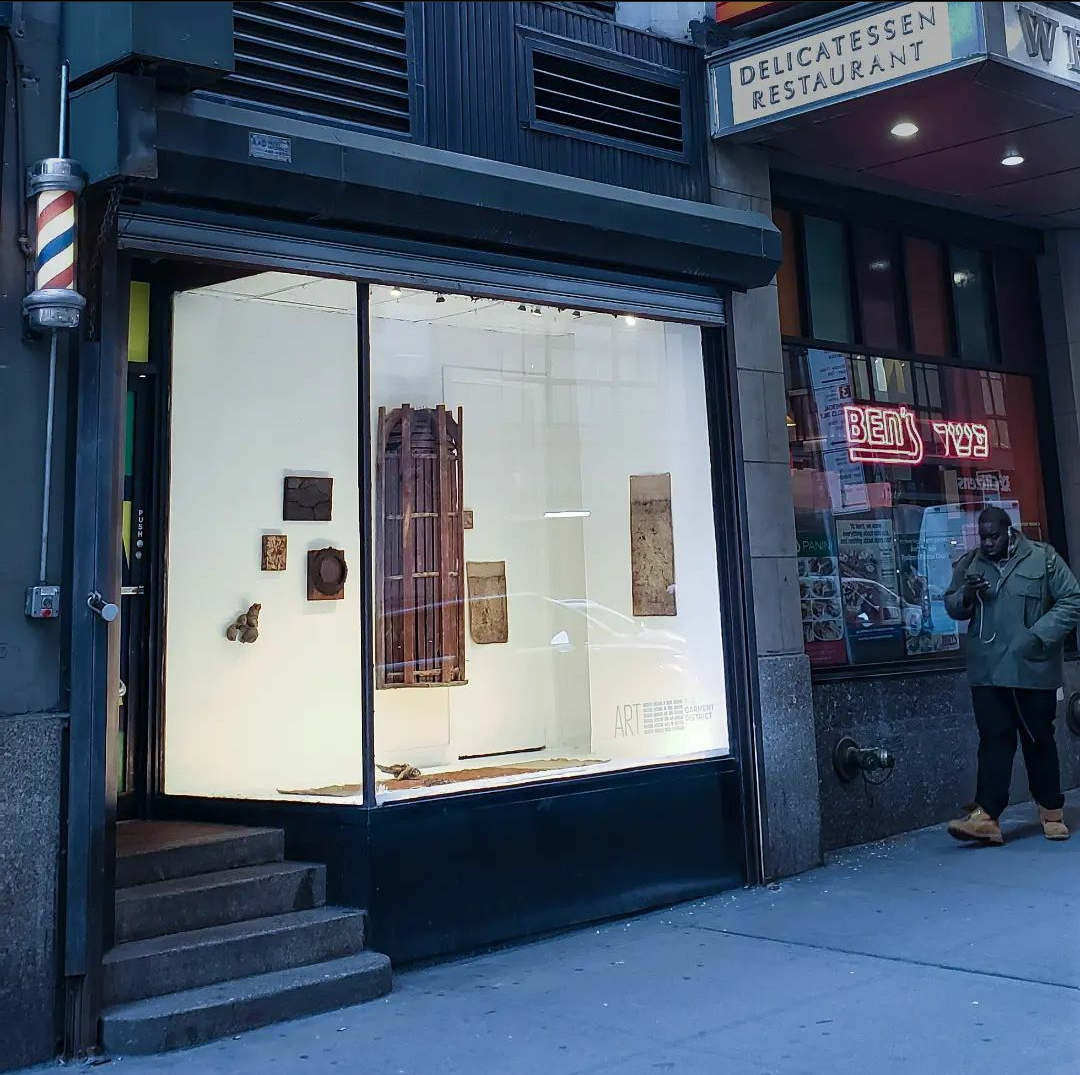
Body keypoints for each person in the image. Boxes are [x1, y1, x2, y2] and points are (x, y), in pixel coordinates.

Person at [944, 506, 1080, 845]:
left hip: (1031, 667)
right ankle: (987, 815)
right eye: (983, 536)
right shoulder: (970, 563)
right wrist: (967, 595)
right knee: (993, 740)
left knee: (1038, 741)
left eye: (994, 536)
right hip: (988, 669)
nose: (988, 543)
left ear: (1009, 532)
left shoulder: (1042, 558)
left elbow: (1073, 600)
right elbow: (951, 603)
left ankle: (1051, 810)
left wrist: (1038, 635)